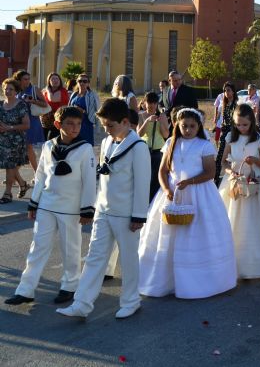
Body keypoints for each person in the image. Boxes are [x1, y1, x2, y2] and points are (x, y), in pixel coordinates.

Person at [57, 98, 150, 319]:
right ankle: (82, 302)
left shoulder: (138, 147)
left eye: (110, 125)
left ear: (126, 122)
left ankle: (131, 301)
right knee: (94, 257)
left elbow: (142, 183)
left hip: (127, 213)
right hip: (104, 209)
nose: (106, 130)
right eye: (104, 126)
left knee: (128, 259)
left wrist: (139, 216)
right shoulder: (109, 142)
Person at [138, 108, 236, 299]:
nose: (188, 129)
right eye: (184, 126)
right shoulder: (171, 143)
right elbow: (162, 171)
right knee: (168, 234)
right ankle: (167, 279)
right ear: (177, 125)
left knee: (195, 234)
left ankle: (196, 281)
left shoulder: (204, 145)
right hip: (173, 194)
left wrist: (189, 182)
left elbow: (210, 172)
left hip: (199, 194)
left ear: (198, 126)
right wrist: (167, 189)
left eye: (192, 126)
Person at [4, 107, 95, 305]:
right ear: (57, 125)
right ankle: (26, 289)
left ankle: (69, 285)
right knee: (37, 247)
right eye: (70, 123)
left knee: (70, 248)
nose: (74, 128)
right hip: (47, 204)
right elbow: (41, 176)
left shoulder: (85, 148)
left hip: (70, 208)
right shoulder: (48, 146)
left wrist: (87, 208)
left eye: (78, 124)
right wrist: (34, 202)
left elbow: (89, 181)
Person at [218, 104, 260, 279]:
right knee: (233, 218)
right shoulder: (231, 137)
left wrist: (254, 160)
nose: (241, 128)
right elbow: (223, 162)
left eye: (245, 125)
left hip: (255, 182)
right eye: (238, 124)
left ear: (251, 123)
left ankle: (256, 262)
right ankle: (233, 261)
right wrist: (231, 172)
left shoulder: (259, 139)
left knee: (255, 221)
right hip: (235, 181)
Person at [1, 78, 31, 204]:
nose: (8, 91)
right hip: (2, 140)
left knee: (10, 166)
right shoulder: (0, 104)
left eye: (11, 89)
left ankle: (7, 193)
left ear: (16, 91)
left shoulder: (21, 105)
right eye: (6, 88)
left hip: (15, 141)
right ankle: (23, 184)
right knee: (10, 167)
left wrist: (10, 127)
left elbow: (27, 125)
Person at [137, 92, 169, 201]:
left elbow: (166, 135)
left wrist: (161, 123)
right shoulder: (141, 115)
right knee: (145, 176)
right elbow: (139, 134)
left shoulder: (162, 116)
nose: (152, 105)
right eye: (149, 102)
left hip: (159, 149)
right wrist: (147, 121)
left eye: (155, 103)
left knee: (157, 177)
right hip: (144, 149)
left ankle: (154, 200)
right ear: (144, 103)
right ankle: (144, 199)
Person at [214, 83, 238, 184]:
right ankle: (216, 178)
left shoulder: (236, 105)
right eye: (225, 91)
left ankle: (235, 176)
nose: (226, 93)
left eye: (228, 90)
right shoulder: (224, 104)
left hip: (234, 134)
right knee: (220, 156)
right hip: (224, 134)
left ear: (233, 91)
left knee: (234, 157)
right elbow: (223, 119)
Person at [69, 74, 100, 146]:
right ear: (77, 82)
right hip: (73, 125)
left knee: (85, 147)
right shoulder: (73, 95)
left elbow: (96, 111)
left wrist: (82, 111)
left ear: (88, 83)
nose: (82, 83)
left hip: (86, 125)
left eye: (84, 81)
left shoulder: (92, 96)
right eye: (80, 81)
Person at [42, 72, 69, 140]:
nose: (55, 80)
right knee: (46, 140)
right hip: (46, 120)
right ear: (49, 81)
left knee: (53, 138)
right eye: (53, 79)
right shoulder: (44, 91)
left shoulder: (63, 91)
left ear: (60, 81)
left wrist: (47, 90)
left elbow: (52, 99)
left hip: (58, 118)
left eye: (57, 79)